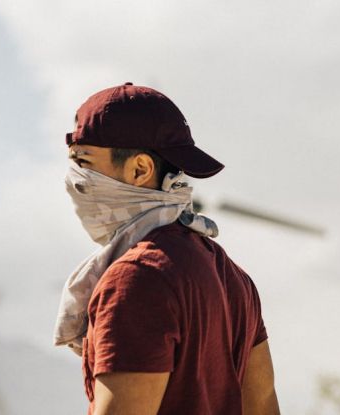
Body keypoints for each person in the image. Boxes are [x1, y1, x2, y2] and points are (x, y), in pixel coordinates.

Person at [54, 82, 280, 415]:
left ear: (140, 170)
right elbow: (262, 406)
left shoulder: (137, 279)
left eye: (83, 163)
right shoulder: (233, 277)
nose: (73, 179)